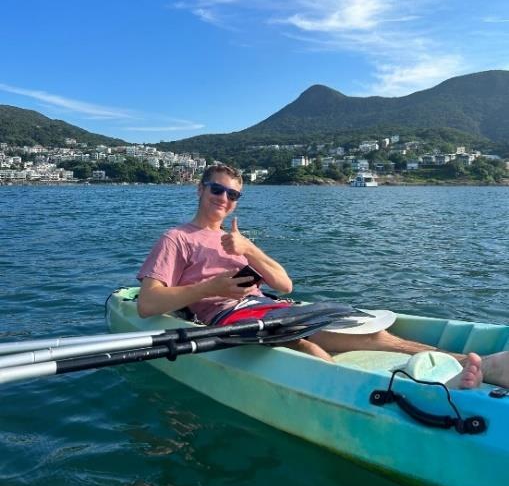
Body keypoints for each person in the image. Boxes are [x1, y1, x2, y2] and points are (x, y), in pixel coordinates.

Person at [137, 164, 507, 389]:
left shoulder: (238, 239)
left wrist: (248, 249)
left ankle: (462, 364)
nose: (224, 198)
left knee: (363, 328)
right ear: (200, 189)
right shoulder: (177, 238)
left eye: (233, 194)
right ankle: (475, 366)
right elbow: (147, 303)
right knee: (329, 342)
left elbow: (285, 285)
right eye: (217, 189)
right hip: (231, 316)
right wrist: (211, 287)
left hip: (270, 306)